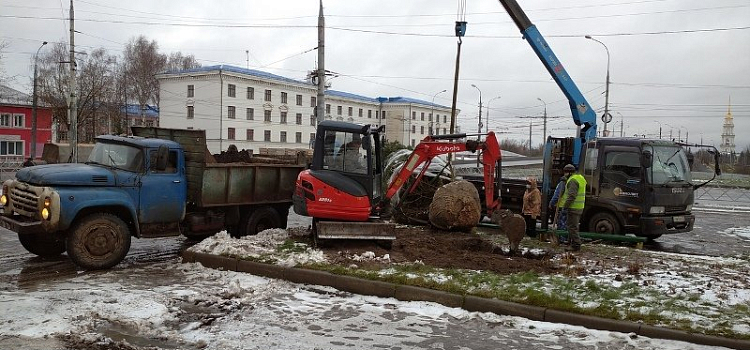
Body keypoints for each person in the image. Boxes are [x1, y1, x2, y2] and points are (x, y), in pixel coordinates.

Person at [558, 164, 587, 251]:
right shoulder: (579, 177)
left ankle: (576, 245)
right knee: (572, 226)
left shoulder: (573, 181)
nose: (565, 174)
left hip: (573, 207)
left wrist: (565, 207)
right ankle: (571, 242)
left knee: (572, 227)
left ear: (570, 172)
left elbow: (571, 196)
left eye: (566, 173)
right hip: (579, 207)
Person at [549, 173, 568, 242]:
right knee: (566, 224)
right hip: (569, 206)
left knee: (561, 224)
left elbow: (557, 195)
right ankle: (565, 239)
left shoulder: (562, 184)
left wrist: (551, 203)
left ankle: (562, 239)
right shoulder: (571, 183)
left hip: (561, 206)